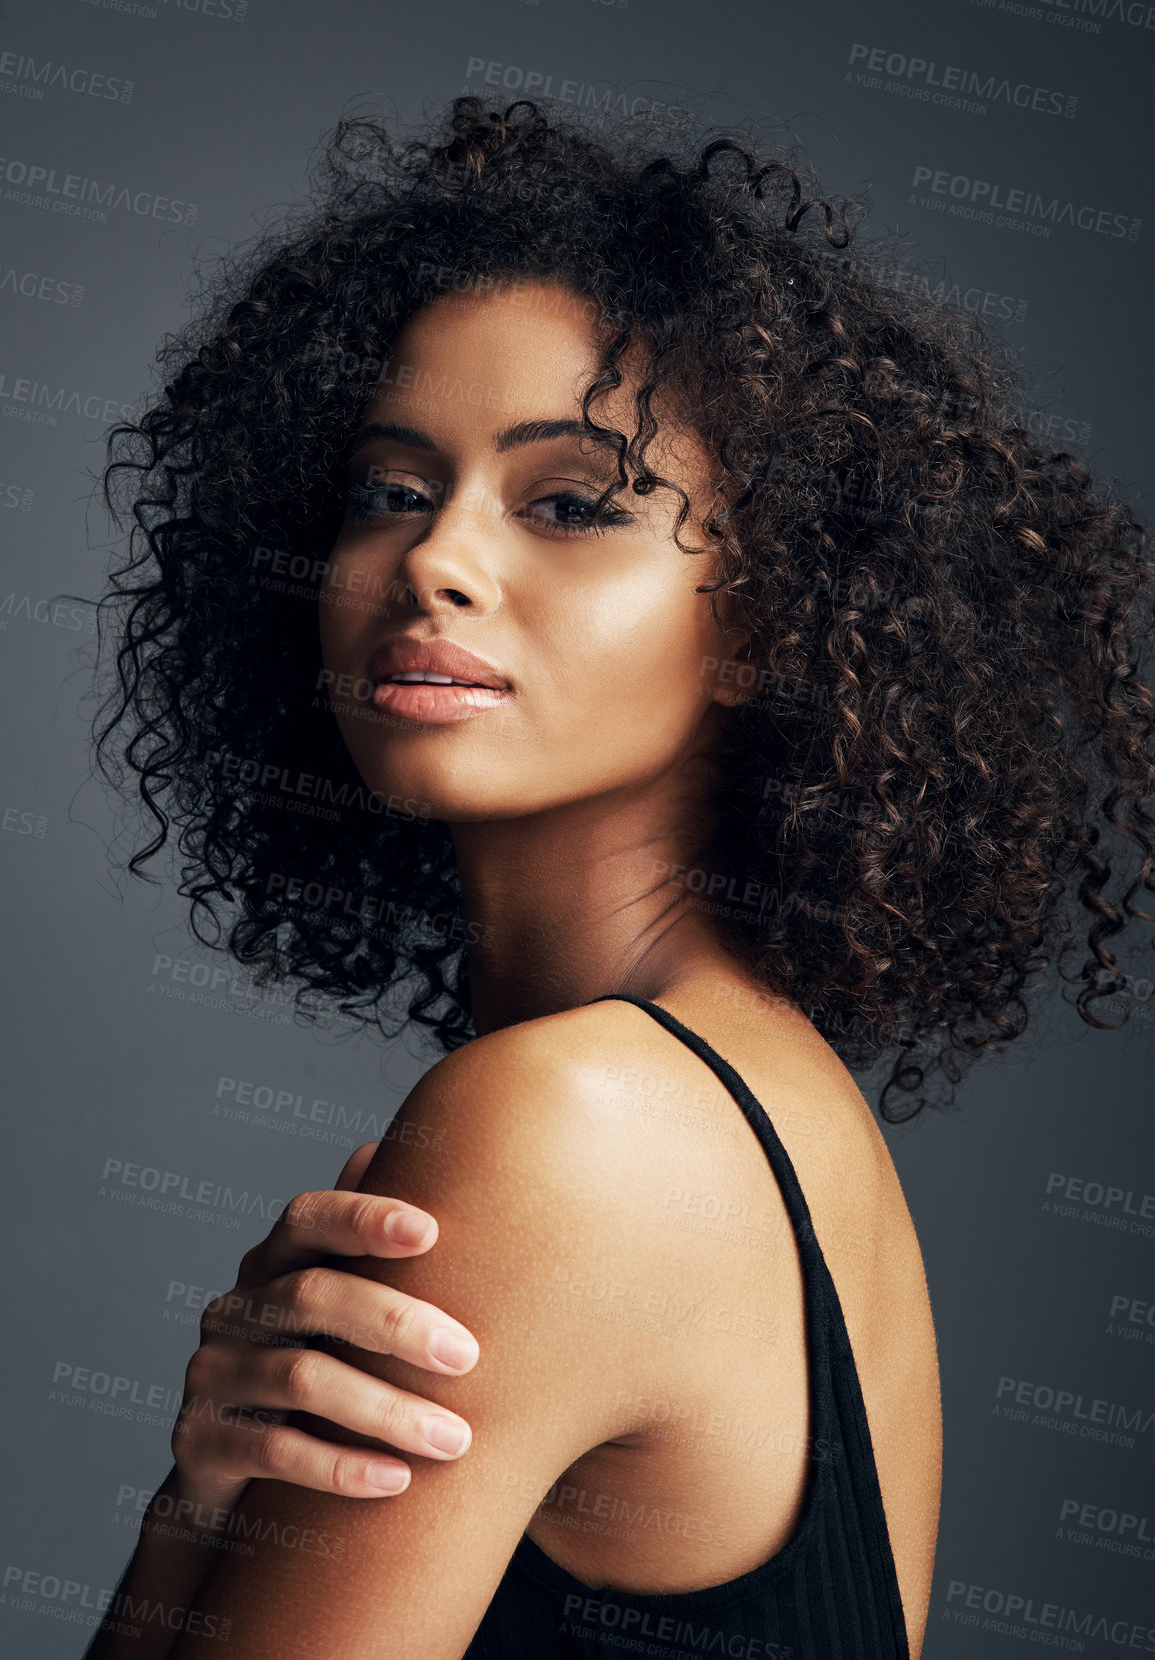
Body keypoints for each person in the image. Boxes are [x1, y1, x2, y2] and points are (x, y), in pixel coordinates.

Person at [84, 96, 1155, 1660]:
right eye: (390, 487)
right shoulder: (778, 1107)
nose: (437, 559)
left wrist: (196, 1534)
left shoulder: (562, 1131)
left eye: (573, 503)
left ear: (774, 620)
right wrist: (209, 1500)